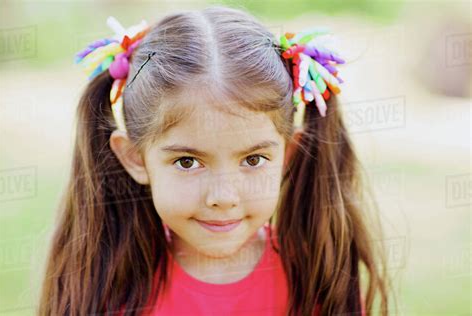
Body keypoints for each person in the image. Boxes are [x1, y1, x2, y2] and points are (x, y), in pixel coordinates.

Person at [38, 5, 391, 316]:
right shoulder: (105, 282)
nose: (223, 196)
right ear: (136, 158)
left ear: (288, 155)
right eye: (188, 162)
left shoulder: (318, 275)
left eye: (253, 159)